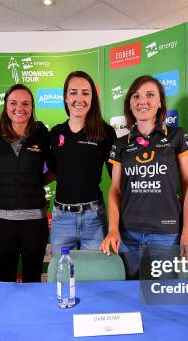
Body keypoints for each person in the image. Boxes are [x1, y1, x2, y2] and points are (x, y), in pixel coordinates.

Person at [100, 75, 188, 278]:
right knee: (128, 298)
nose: (142, 101)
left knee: (161, 300)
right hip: (128, 236)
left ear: (160, 102)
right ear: (130, 104)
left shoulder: (177, 135)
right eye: (136, 96)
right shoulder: (120, 144)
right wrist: (112, 229)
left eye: (150, 95)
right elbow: (115, 190)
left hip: (166, 236)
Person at [48, 71, 116, 256]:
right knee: (61, 277)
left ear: (93, 98)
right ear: (65, 97)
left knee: (92, 280)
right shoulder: (54, 134)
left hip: (93, 218)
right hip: (62, 219)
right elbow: (53, 171)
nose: (79, 99)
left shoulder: (105, 132)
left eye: (85, 93)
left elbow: (117, 181)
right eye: (73, 92)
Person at [0, 84, 52, 282]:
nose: (19, 108)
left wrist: (35, 183)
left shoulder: (42, 135)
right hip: (3, 221)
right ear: (6, 106)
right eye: (13, 103)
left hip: (34, 221)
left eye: (25, 103)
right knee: (2, 280)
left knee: (32, 279)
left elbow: (55, 168)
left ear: (32, 107)